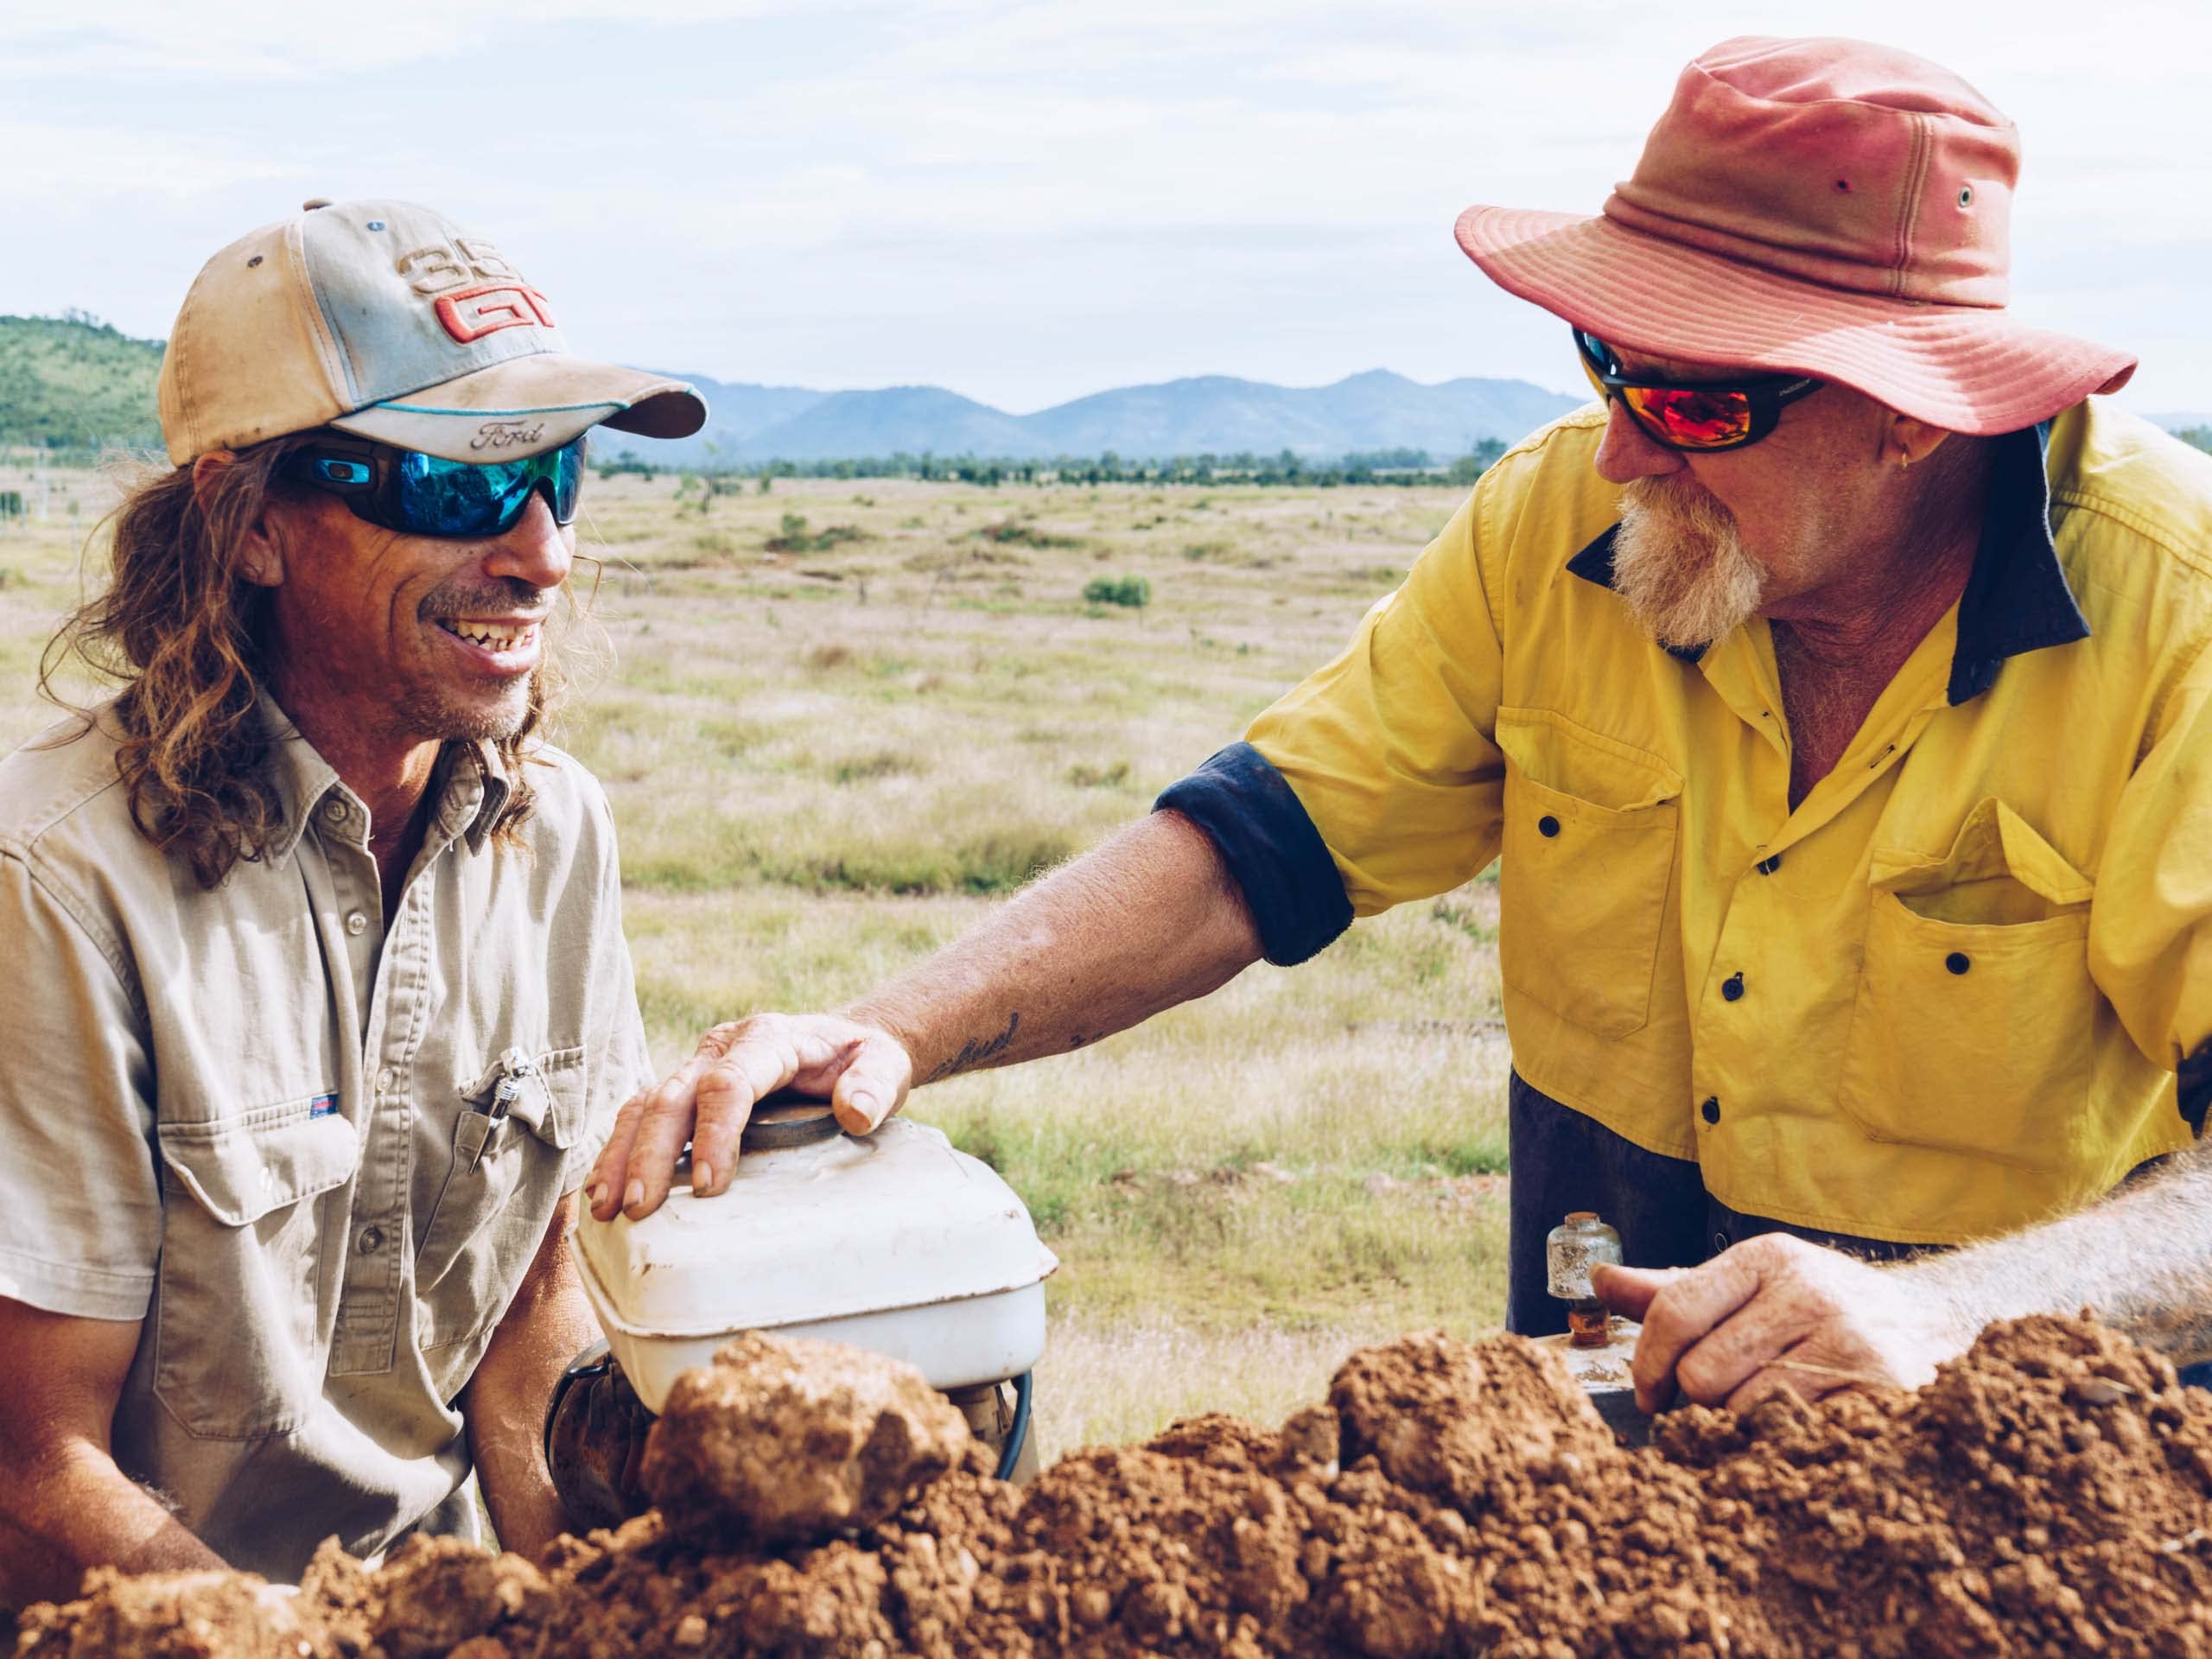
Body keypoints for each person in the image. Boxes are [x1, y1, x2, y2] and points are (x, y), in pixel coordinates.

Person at [589, 36, 2212, 1408]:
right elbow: (1257, 846)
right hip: (1597, 1455)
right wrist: (892, 1029)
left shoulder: (2176, 620)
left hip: (2004, 1477)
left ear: (1918, 411)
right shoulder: (1558, 526)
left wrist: (1949, 1319)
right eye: (1607, 364)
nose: (1626, 451)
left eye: (1698, 399)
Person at [0, 199, 704, 1602]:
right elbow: (37, 1458)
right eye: (456, 486)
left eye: (556, 474)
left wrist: (578, 1622)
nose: (543, 553)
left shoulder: (555, 832)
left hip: (421, 1602)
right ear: (251, 524)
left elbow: (529, 1311)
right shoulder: (58, 880)